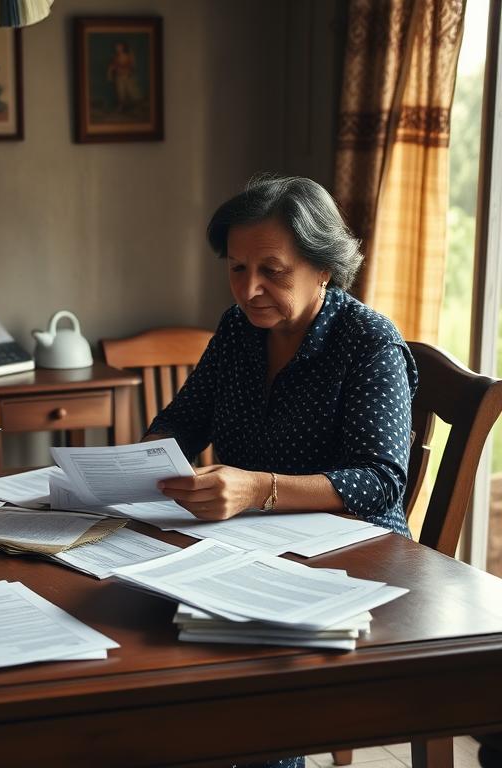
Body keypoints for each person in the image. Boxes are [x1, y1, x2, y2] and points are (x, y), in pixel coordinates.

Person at [145, 175, 417, 768]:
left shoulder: (370, 343)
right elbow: (183, 421)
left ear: (323, 267)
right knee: (147, 641)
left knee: (246, 687)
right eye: (237, 268)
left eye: (273, 270)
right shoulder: (238, 330)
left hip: (352, 556)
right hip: (248, 544)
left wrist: (256, 489)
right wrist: (139, 461)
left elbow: (380, 482)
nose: (251, 289)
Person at [106, 41, 141, 113]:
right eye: (116, 47)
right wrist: (109, 74)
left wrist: (128, 71)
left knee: (131, 91)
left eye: (119, 47)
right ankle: (121, 107)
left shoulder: (128, 56)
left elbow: (132, 66)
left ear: (123, 47)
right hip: (119, 77)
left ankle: (136, 107)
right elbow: (112, 66)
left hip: (127, 76)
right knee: (120, 92)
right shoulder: (116, 57)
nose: (117, 48)